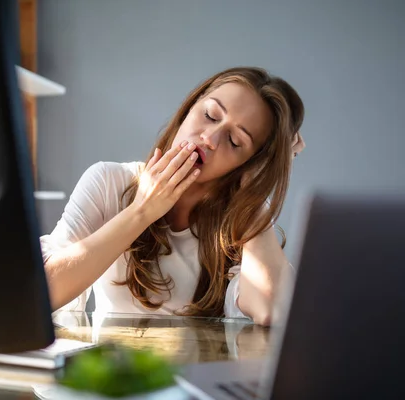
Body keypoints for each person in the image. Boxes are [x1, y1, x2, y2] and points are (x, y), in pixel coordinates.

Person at [40, 67, 305, 325]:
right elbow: (43, 292)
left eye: (235, 141)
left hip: (198, 371)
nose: (210, 138)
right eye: (210, 115)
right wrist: (142, 210)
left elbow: (271, 310)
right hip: (111, 368)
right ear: (190, 107)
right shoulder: (109, 181)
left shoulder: (243, 220)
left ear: (248, 163)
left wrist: (260, 186)